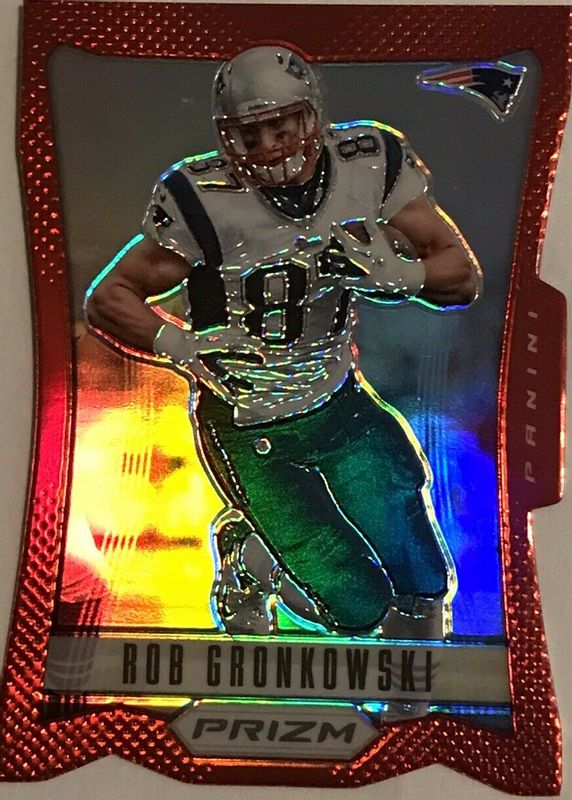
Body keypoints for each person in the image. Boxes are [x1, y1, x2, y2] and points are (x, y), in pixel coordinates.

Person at [86, 45, 479, 639]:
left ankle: (420, 687)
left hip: (339, 399)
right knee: (357, 607)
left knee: (422, 575)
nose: (268, 146)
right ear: (226, 137)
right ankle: (251, 557)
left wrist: (402, 275)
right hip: (249, 423)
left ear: (313, 117)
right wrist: (182, 346)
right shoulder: (202, 199)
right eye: (249, 134)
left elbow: (461, 275)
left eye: (281, 126)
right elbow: (109, 297)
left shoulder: (368, 163)